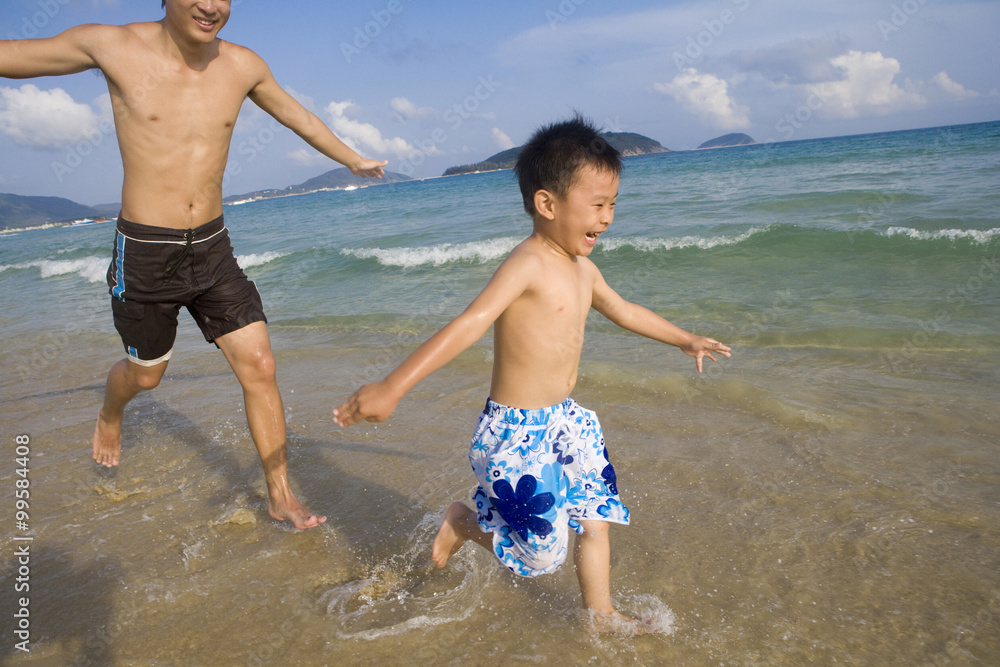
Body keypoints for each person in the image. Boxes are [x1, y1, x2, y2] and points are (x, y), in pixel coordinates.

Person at [0, 0, 388, 529]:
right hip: (144, 253)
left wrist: (351, 157)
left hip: (212, 246)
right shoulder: (110, 45)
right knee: (146, 378)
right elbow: (15, 55)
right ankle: (110, 411)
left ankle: (280, 494)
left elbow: (298, 115)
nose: (211, 6)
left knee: (261, 364)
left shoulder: (242, 65)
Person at [333, 115, 731, 626]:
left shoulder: (584, 268)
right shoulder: (526, 263)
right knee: (542, 555)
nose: (607, 218)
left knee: (597, 520)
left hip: (568, 423)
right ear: (547, 204)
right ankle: (465, 525)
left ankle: (601, 614)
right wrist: (393, 385)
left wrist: (685, 338)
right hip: (517, 432)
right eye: (597, 204)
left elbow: (625, 309)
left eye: (613, 205)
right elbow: (470, 323)